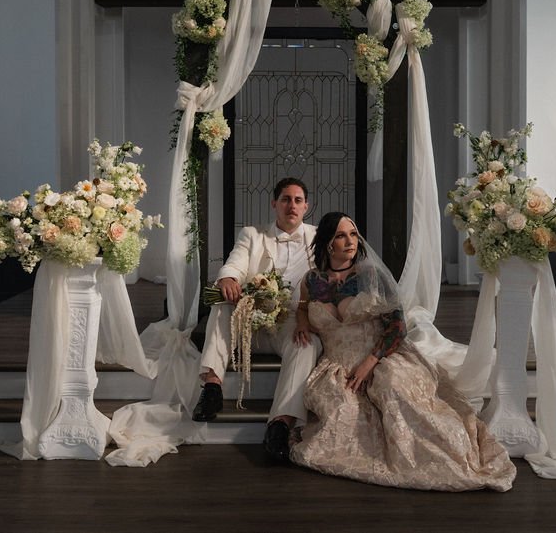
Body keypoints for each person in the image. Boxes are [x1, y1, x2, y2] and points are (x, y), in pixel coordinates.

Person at [290, 212, 517, 491]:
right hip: (336, 366)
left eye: (352, 233)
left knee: (393, 388)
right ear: (327, 243)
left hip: (382, 356)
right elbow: (302, 306)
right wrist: (302, 321)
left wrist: (369, 363)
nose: (349, 241)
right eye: (340, 235)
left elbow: (397, 327)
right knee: (340, 412)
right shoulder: (312, 280)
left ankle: (437, 456)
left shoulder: (371, 277)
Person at [191, 177, 320, 461]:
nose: (292, 206)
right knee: (222, 305)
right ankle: (212, 386)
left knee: (308, 345)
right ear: (274, 203)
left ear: (307, 206)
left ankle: (280, 424)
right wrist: (228, 278)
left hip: (291, 322)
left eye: (298, 200)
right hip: (252, 324)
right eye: (286, 199)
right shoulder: (253, 234)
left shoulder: (318, 237)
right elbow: (235, 263)